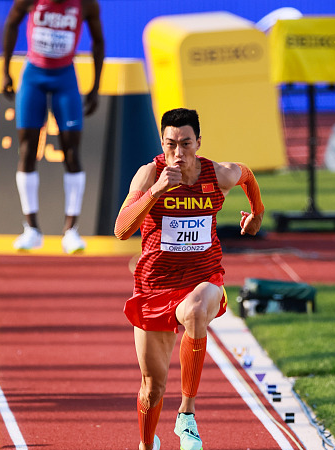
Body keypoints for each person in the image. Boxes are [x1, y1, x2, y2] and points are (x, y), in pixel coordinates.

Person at [114, 108, 265, 450]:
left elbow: (248, 175)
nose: (178, 153)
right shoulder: (148, 174)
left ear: (198, 142)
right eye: (170, 145)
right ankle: (146, 444)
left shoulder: (217, 174)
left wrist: (256, 215)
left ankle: (186, 415)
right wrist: (155, 191)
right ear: (162, 144)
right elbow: (122, 230)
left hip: (203, 277)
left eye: (185, 144)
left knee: (197, 311)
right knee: (152, 387)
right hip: (154, 286)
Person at [2, 0, 105, 254]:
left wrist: (95, 86)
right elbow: (11, 23)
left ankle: (71, 230)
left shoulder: (85, 3)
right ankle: (31, 229)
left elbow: (98, 40)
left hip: (65, 78)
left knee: (71, 153)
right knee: (27, 150)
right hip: (33, 76)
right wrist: (4, 71)